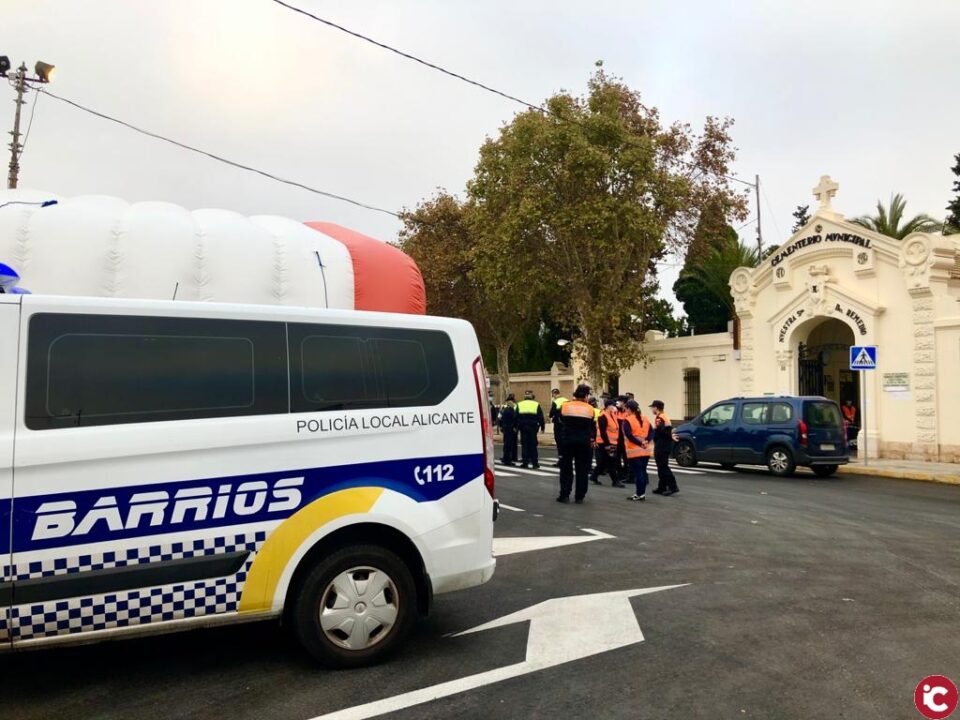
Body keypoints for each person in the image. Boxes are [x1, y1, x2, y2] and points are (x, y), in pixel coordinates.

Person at [557, 384, 597, 504]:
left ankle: (564, 495)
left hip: (567, 441)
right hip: (584, 442)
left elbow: (560, 420)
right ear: (586, 396)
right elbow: (591, 425)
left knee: (566, 468)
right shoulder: (590, 409)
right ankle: (579, 496)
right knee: (582, 470)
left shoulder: (565, 406)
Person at [621, 400, 653, 501]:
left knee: (638, 473)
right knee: (642, 471)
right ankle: (642, 493)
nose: (625, 411)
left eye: (626, 409)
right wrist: (646, 441)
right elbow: (652, 432)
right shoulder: (645, 418)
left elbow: (629, 435)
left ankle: (639, 494)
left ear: (629, 409)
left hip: (634, 451)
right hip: (646, 449)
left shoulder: (628, 420)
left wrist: (639, 443)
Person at [590, 398, 626, 487]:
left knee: (604, 462)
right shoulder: (602, 416)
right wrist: (607, 444)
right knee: (611, 461)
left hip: (612, 442)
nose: (614, 407)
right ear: (608, 406)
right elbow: (603, 432)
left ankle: (594, 476)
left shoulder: (612, 414)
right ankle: (615, 481)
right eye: (612, 405)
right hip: (605, 443)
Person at [649, 400, 679, 496]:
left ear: (656, 408)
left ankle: (673, 486)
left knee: (663, 466)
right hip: (664, 444)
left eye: (652, 407)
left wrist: (655, 432)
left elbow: (662, 432)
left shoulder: (660, 418)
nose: (651, 409)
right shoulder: (663, 416)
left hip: (662, 445)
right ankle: (662, 487)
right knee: (661, 466)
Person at [517, 390, 545, 469]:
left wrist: (516, 427)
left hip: (523, 427)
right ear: (532, 397)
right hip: (533, 427)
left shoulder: (520, 404)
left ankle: (525, 463)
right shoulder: (536, 404)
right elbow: (540, 417)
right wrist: (542, 427)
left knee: (524, 445)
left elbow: (516, 417)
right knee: (533, 445)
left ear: (524, 396)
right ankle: (535, 463)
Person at [549, 388, 569, 466]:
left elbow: (551, 414)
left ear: (554, 394)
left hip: (558, 425)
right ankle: (566, 459)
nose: (553, 396)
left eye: (552, 395)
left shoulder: (555, 402)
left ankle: (561, 461)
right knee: (566, 443)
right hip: (567, 424)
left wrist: (550, 415)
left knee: (559, 443)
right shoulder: (567, 400)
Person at [499, 394, 519, 465]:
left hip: (506, 428)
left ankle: (506, 458)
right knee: (509, 445)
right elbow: (514, 419)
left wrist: (501, 427)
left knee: (506, 444)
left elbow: (500, 419)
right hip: (510, 429)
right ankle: (508, 460)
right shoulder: (511, 410)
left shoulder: (505, 409)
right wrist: (515, 427)